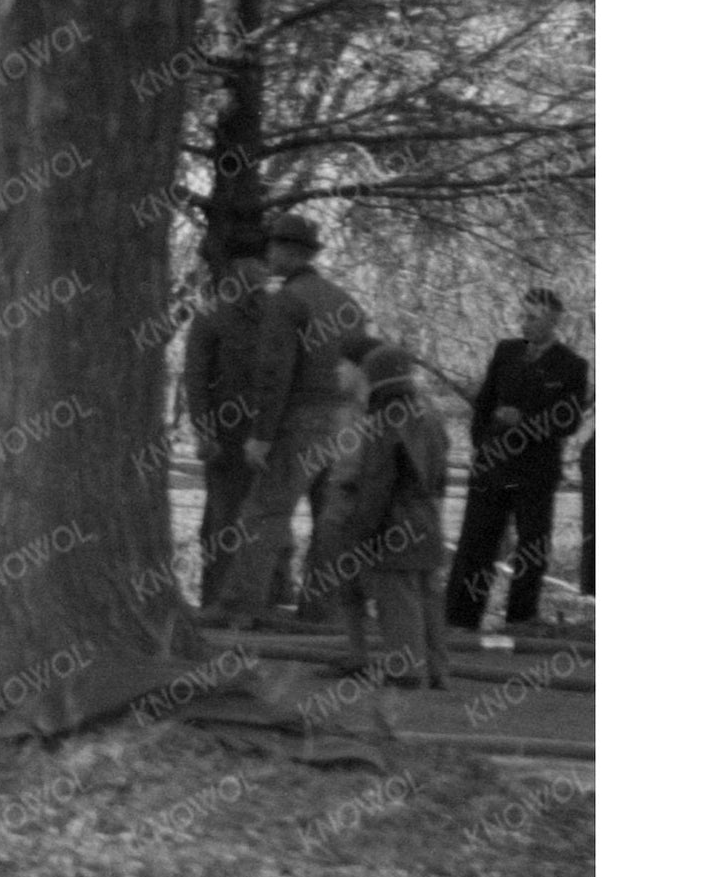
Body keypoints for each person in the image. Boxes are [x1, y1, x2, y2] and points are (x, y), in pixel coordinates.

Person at [214, 214, 374, 623]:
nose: (268, 256)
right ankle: (323, 609)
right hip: (346, 424)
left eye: (271, 248)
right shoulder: (346, 302)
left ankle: (239, 607)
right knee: (331, 519)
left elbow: (274, 373)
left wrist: (261, 435)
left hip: (300, 421)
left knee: (265, 512)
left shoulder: (285, 301)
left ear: (287, 252)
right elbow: (363, 365)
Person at [449, 287, 588, 647]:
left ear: (554, 320)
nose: (524, 322)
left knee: (531, 544)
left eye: (533, 316)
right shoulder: (506, 352)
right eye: (522, 315)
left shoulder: (572, 366)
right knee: (477, 541)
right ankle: (461, 617)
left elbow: (568, 422)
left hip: (535, 470)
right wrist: (484, 443)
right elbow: (484, 406)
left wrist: (524, 422)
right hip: (493, 465)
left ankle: (520, 618)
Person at [325, 341, 455, 692]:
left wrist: (363, 529)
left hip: (395, 521)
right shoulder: (429, 414)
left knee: (399, 598)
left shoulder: (384, 420)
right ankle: (437, 670)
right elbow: (442, 471)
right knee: (428, 595)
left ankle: (407, 671)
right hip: (428, 515)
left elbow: (378, 481)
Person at [176, 236, 265, 611]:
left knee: (259, 517)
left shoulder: (273, 320)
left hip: (263, 434)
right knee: (223, 516)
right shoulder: (210, 319)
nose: (260, 292)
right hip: (227, 436)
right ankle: (216, 597)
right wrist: (204, 431)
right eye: (255, 285)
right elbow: (195, 379)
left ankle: (251, 598)